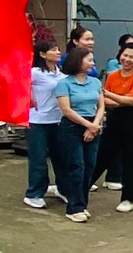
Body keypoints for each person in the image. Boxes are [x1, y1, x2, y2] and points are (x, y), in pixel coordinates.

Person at [90, 43, 133, 213]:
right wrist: (120, 100)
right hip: (115, 120)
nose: (127, 59)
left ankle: (129, 199)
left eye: (132, 57)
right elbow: (105, 100)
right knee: (101, 156)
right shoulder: (112, 76)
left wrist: (112, 96)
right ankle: (81, 188)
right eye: (125, 55)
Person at [53, 47, 104, 223]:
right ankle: (74, 208)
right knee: (76, 167)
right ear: (78, 61)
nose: (92, 63)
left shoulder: (95, 82)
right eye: (89, 60)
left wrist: (94, 125)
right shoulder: (64, 83)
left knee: (89, 167)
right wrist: (89, 126)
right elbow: (66, 110)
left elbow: (101, 106)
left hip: (93, 124)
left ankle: (82, 204)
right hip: (72, 127)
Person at [24, 40, 68, 210]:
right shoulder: (35, 72)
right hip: (37, 121)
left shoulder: (61, 74)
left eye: (58, 49)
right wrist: (28, 96)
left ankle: (63, 188)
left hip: (58, 120)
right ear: (42, 54)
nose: (58, 52)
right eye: (53, 50)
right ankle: (34, 193)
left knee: (61, 157)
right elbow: (18, 82)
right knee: (39, 158)